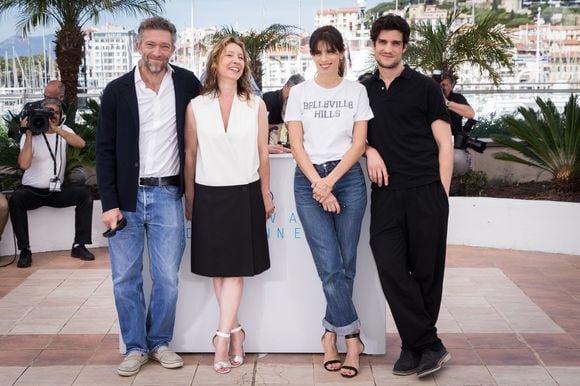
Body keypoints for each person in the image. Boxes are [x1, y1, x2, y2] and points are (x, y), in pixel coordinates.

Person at [96, 16, 201, 377]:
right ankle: (135, 347)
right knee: (125, 277)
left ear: (174, 48)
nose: (158, 51)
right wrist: (108, 203)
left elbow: (212, 126)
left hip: (168, 193)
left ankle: (159, 341)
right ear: (138, 45)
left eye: (165, 45)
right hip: (126, 198)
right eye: (151, 44)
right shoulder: (116, 90)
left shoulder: (187, 83)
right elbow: (104, 151)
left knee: (167, 277)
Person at [362, 14, 454, 378]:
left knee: (427, 273)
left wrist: (441, 194)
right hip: (385, 194)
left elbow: (444, 143)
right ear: (373, 45)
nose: (388, 48)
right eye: (382, 42)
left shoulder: (425, 87)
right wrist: (370, 148)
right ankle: (429, 343)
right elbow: (353, 138)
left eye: (395, 43)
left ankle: (413, 347)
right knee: (391, 267)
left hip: (426, 191)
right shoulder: (362, 89)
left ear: (404, 46)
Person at [285, 25, 373, 379]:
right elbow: (296, 144)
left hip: (348, 179)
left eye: (330, 51)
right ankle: (352, 338)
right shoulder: (299, 94)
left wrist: (331, 182)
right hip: (308, 180)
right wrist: (317, 184)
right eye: (317, 52)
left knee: (347, 263)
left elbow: (359, 143)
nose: (324, 59)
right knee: (330, 265)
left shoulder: (357, 91)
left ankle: (327, 334)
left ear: (341, 53)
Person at [184, 36, 273, 375]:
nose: (235, 60)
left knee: (234, 271)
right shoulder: (196, 105)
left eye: (240, 56)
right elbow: (191, 154)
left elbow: (263, 152)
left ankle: (220, 337)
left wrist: (266, 194)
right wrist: (190, 197)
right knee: (218, 271)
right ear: (216, 62)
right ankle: (237, 331)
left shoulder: (256, 105)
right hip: (208, 195)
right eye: (229, 55)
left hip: (244, 193)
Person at [9, 97, 94, 268]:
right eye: (48, 111)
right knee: (16, 199)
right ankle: (25, 250)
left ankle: (79, 245)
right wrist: (29, 133)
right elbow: (24, 164)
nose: (52, 115)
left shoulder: (63, 130)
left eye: (55, 112)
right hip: (32, 191)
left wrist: (57, 131)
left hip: (56, 191)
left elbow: (81, 143)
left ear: (61, 114)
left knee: (84, 195)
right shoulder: (31, 134)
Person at [438, 71, 475, 136]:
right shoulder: (429, 98)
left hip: (453, 139)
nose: (441, 88)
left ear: (451, 86)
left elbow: (470, 114)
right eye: (439, 85)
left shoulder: (457, 98)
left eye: (444, 85)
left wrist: (447, 102)